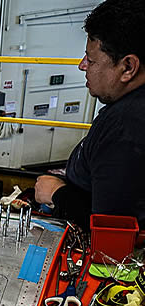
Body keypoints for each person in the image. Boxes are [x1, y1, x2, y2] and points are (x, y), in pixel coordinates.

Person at [34, 0, 145, 231]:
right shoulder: (127, 111)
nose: (82, 65)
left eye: (91, 60)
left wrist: (56, 193)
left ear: (128, 67)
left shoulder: (125, 129)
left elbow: (112, 233)